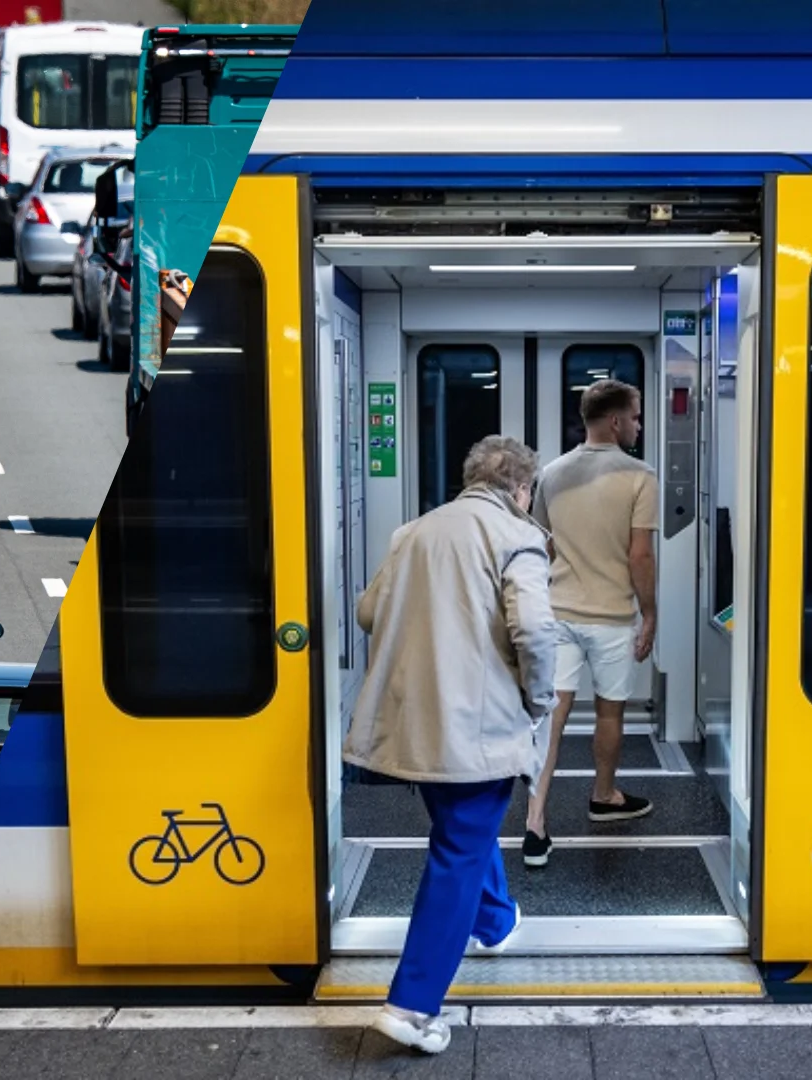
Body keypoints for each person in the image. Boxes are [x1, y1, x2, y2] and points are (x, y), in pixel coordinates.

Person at [342, 435, 558, 1055]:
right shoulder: (518, 537)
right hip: (480, 730)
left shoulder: (414, 533)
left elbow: (366, 612)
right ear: (521, 489)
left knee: (463, 834)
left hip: (418, 724)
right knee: (459, 850)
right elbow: (536, 633)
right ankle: (412, 1005)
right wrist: (539, 701)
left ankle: (493, 921)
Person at [522, 379, 659, 870]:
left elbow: (545, 545)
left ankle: (535, 822)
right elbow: (640, 555)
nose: (639, 425)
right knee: (609, 713)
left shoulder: (553, 474)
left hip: (558, 613)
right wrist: (651, 614)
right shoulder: (640, 476)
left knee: (550, 718)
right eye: (637, 417)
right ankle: (604, 796)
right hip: (612, 618)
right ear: (616, 420)